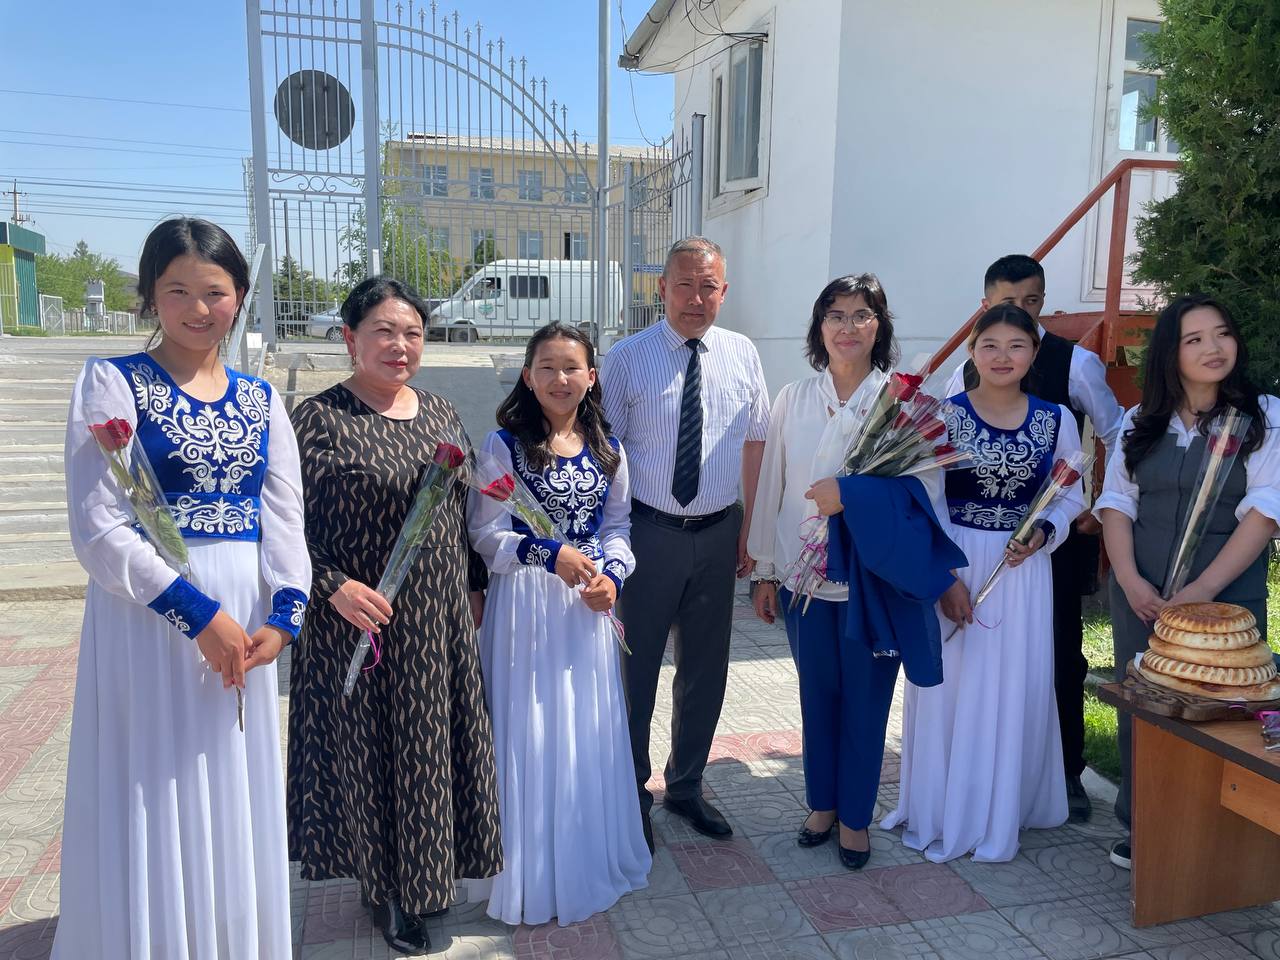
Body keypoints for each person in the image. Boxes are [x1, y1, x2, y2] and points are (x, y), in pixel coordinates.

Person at [55, 217, 310, 958]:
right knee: (153, 775)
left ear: (240, 296)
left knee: (228, 774)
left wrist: (284, 615)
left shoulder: (262, 400)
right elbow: (99, 526)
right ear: (150, 295)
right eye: (178, 291)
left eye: (216, 292)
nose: (200, 309)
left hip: (244, 623)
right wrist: (197, 614)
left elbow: (283, 520)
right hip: (149, 615)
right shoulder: (113, 383)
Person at [287, 277, 501, 954]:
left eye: (412, 332)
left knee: (428, 753)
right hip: (358, 624)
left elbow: (463, 508)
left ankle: (427, 878)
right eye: (383, 331)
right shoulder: (316, 420)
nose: (399, 345)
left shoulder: (440, 411)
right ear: (350, 338)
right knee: (373, 757)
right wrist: (333, 587)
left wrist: (474, 586)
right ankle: (387, 892)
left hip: (436, 622)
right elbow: (281, 530)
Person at [748, 275, 962, 869]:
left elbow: (925, 494)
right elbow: (773, 487)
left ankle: (856, 818)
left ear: (880, 326)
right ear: (819, 327)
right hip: (803, 579)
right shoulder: (793, 398)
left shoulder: (906, 404)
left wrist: (850, 495)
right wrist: (764, 568)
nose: (848, 326)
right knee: (817, 696)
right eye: (835, 315)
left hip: (871, 583)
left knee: (867, 703)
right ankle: (822, 805)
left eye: (862, 314)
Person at [885, 304, 1084, 863]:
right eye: (989, 344)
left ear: (1034, 354)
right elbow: (922, 500)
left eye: (1016, 345)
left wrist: (1044, 532)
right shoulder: (940, 417)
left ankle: (1004, 807)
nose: (1002, 356)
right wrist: (944, 576)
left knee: (1014, 683)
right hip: (954, 561)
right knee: (952, 683)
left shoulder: (1056, 419)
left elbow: (1072, 493)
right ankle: (945, 807)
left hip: (1023, 571)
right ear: (972, 351)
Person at [468, 322, 651, 925]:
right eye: (546, 367)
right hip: (525, 606)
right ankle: (525, 869)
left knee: (583, 727)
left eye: (572, 367)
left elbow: (619, 526)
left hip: (586, 609)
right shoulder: (503, 446)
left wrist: (612, 577)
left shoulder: (609, 449)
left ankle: (582, 856)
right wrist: (548, 554)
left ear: (591, 377)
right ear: (528, 376)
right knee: (531, 727)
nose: (559, 378)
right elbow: (486, 533)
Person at [1095, 293, 1280, 870]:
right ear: (1170, 354)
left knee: (1223, 712)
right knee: (1145, 706)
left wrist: (1200, 594)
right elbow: (1117, 503)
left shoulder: (1265, 416)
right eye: (1194, 339)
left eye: (1222, 334)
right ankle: (1145, 825)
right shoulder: (1141, 420)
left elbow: (1264, 513)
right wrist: (1129, 581)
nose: (1213, 348)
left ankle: (1220, 842)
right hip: (1143, 598)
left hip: (1225, 601)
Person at [601, 236, 770, 849]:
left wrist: (751, 526)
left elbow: (756, 440)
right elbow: (605, 452)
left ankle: (687, 783)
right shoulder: (626, 358)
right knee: (635, 670)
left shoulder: (742, 353)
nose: (696, 298)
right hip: (648, 532)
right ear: (662, 288)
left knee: (705, 667)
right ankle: (630, 793)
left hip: (718, 531)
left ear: (724, 291)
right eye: (685, 285)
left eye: (709, 287)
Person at [945, 254, 1123, 822]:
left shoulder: (1076, 363)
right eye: (1006, 302)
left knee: (1056, 654)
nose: (1018, 312)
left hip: (1050, 538)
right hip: (970, 542)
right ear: (985, 306)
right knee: (970, 656)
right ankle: (965, 772)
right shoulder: (964, 374)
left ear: (1043, 303)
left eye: (1030, 302)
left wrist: (1103, 503)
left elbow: (1116, 430)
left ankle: (1062, 771)